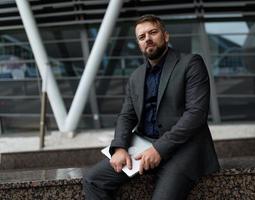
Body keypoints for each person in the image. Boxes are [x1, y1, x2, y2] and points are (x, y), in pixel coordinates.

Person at [83, 14, 220, 200]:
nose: (147, 38)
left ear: (166, 35)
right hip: (142, 147)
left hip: (183, 150)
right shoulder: (136, 76)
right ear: (139, 44)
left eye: (153, 32)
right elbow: (126, 116)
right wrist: (120, 147)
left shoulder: (191, 63)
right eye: (141, 37)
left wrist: (159, 149)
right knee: (92, 180)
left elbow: (196, 115)